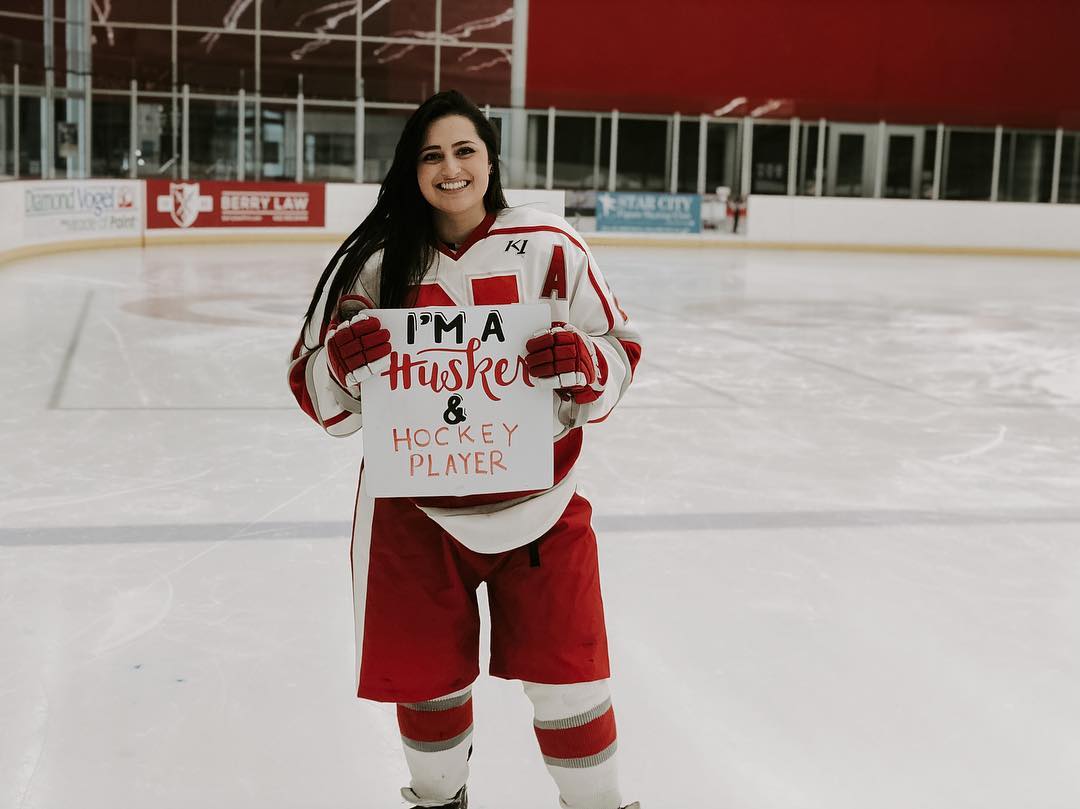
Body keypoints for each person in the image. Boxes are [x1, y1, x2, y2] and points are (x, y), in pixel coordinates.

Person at [288, 90, 642, 809]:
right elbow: (317, 393)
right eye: (431, 155)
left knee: (572, 682)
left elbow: (619, 349)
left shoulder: (551, 246)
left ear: (490, 159)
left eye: (464, 150)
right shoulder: (377, 263)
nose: (450, 168)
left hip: (542, 506)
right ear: (410, 170)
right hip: (414, 516)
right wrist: (340, 364)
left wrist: (584, 361)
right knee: (428, 684)